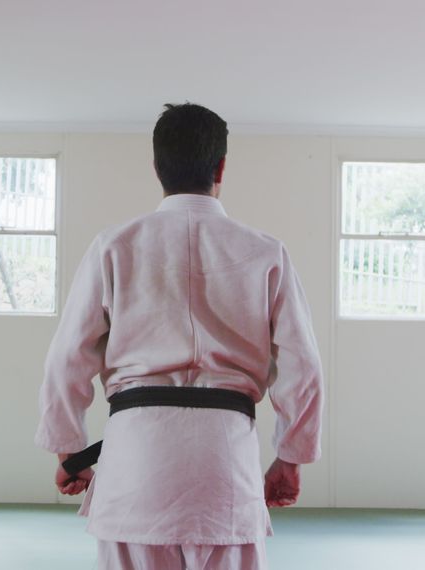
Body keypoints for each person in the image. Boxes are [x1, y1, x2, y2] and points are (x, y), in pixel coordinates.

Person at [35, 102, 324, 570]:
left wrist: (68, 448)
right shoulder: (266, 253)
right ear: (221, 166)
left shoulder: (113, 246)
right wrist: (290, 457)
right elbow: (303, 364)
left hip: (135, 461)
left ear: (156, 167)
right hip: (226, 461)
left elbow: (67, 357)